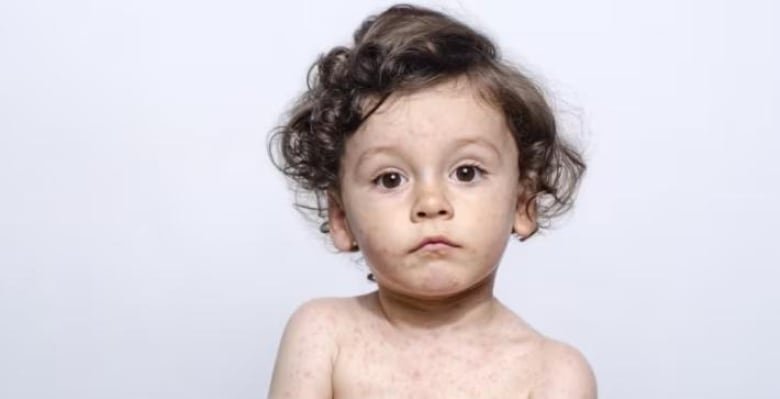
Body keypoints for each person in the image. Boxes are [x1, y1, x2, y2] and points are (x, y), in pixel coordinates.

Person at [267, 4, 596, 398]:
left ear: (523, 202)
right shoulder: (324, 336)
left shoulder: (552, 374)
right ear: (341, 217)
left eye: (466, 172)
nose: (431, 202)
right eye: (390, 179)